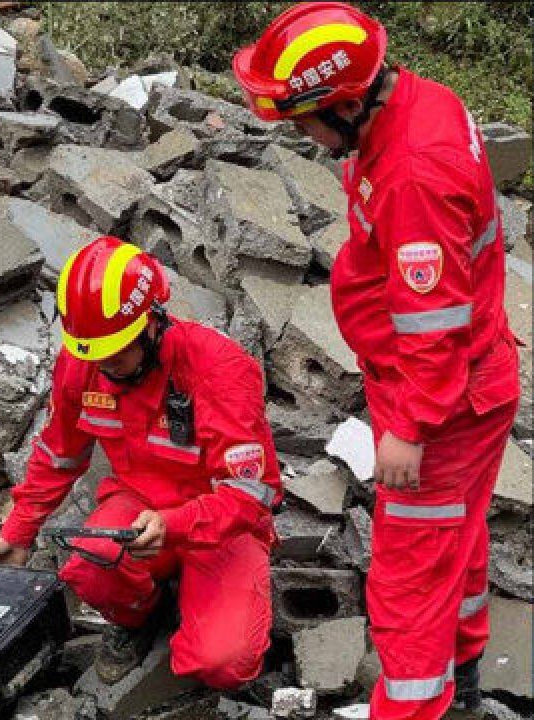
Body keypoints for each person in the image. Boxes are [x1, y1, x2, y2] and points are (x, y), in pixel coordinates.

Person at [232, 3, 521, 718]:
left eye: (305, 118)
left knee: (409, 583)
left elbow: (434, 326)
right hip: (466, 382)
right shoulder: (420, 105)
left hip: (444, 405)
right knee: (458, 544)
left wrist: (412, 428)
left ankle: (420, 704)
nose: (301, 132)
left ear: (351, 102)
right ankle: (463, 689)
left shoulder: (415, 174)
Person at [0, 236, 281, 689]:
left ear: (153, 322)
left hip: (219, 522)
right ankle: (140, 617)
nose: (106, 367)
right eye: (94, 353)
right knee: (91, 565)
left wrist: (173, 525)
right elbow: (60, 453)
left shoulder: (219, 369)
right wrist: (17, 532)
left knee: (224, 663)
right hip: (138, 505)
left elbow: (251, 499)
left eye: (117, 352)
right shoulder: (85, 362)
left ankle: (197, 604)